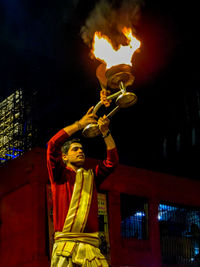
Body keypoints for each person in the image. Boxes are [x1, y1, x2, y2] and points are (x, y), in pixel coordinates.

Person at [47, 106, 119, 267]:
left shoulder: (91, 177)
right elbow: (52, 145)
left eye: (82, 149)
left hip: (91, 249)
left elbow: (112, 162)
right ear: (64, 156)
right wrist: (80, 124)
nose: (81, 151)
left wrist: (105, 133)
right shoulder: (59, 175)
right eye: (75, 149)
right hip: (65, 249)